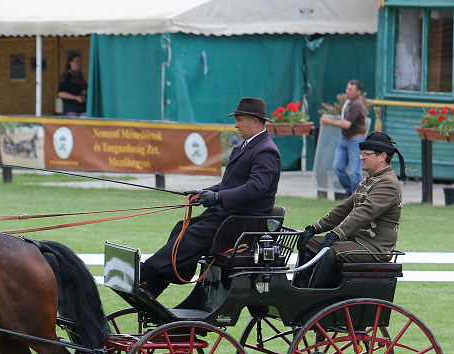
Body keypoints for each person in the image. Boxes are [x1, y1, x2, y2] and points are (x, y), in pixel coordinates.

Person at [139, 97, 281, 298]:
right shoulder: (247, 146)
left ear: (255, 121)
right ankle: (155, 285)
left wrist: (218, 198)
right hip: (231, 214)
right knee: (181, 228)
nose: (236, 124)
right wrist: (204, 193)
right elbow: (228, 184)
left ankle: (145, 272)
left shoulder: (266, 150)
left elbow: (255, 188)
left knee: (192, 235)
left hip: (244, 220)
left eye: (240, 119)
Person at [293, 132, 406, 288]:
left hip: (373, 247)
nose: (361, 157)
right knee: (309, 243)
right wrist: (315, 228)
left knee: (330, 251)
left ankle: (314, 296)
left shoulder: (388, 184)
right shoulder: (370, 180)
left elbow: (364, 214)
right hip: (356, 241)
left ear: (382, 156)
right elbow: (344, 208)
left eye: (366, 154)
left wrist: (335, 234)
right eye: (361, 153)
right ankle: (299, 288)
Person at [320, 80, 367, 197]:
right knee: (338, 167)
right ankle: (350, 193)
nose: (347, 91)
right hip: (345, 139)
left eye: (351, 90)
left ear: (358, 92)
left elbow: (346, 124)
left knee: (355, 173)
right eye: (347, 88)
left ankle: (357, 197)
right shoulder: (348, 102)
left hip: (356, 140)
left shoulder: (356, 104)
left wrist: (328, 122)